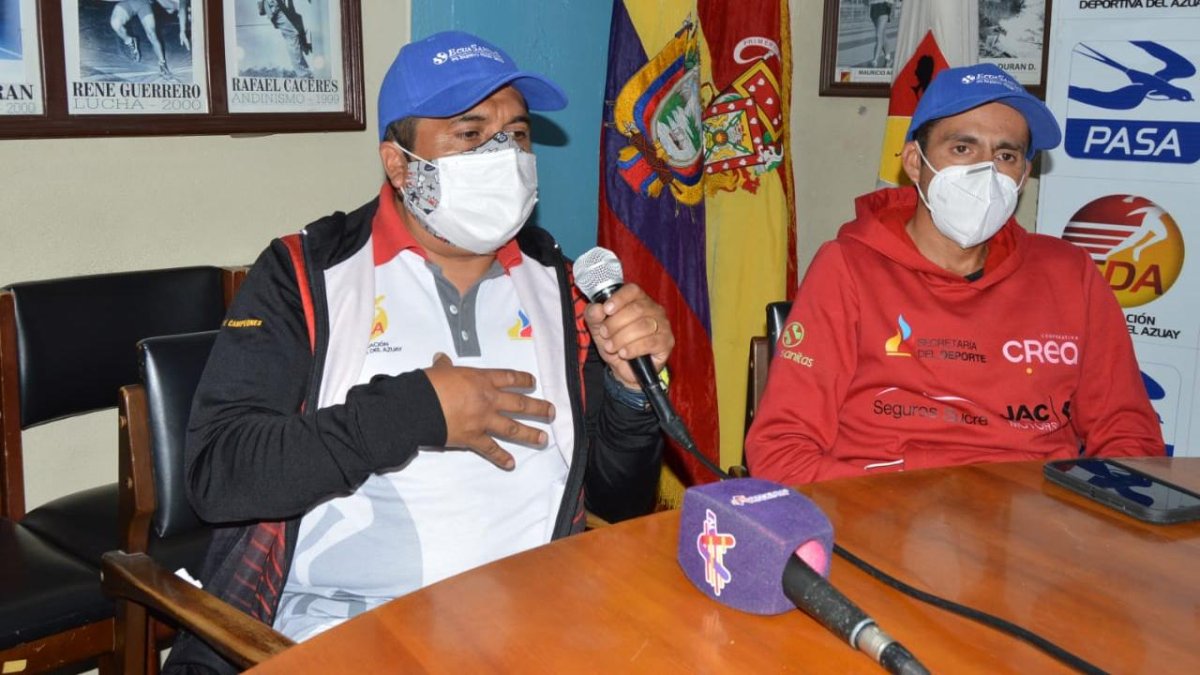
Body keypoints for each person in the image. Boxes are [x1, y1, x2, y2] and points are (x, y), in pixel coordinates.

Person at [165, 30, 671, 671]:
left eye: (517, 134)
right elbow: (221, 475)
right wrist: (412, 413)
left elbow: (617, 503)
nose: (504, 154)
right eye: (470, 133)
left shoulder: (563, 288)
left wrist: (631, 395)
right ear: (400, 165)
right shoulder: (306, 276)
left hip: (543, 621)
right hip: (346, 630)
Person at [745, 63, 1163, 485]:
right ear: (915, 161)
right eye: (963, 149)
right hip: (888, 505)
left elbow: (1127, 433)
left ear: (1023, 175)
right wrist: (902, 510)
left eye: (1006, 155)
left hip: (1035, 508)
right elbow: (781, 452)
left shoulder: (1069, 274)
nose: (986, 171)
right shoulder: (848, 268)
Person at [106, 0, 188, 80]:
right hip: (128, 2)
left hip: (143, 4)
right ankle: (129, 41)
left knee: (151, 33)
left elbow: (182, 8)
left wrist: (182, 30)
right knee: (115, 23)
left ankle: (162, 63)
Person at [258, 0, 313, 78]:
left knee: (297, 27)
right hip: (276, 7)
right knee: (292, 35)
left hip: (282, 6)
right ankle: (303, 74)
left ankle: (305, 48)